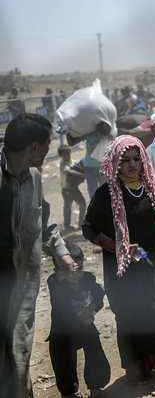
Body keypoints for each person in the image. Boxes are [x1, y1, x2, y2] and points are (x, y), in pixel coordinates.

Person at [82, 135, 155, 382]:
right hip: (126, 267)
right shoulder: (106, 193)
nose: (132, 165)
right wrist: (117, 245)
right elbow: (88, 228)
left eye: (136, 159)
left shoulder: (151, 187)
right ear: (115, 162)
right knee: (132, 315)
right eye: (125, 160)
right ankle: (138, 363)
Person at [0, 114, 74, 398]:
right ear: (33, 148)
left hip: (21, 288)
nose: (49, 150)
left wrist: (60, 252)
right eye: (47, 144)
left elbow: (42, 220)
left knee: (19, 354)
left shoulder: (33, 179)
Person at [47, 241, 110, 398]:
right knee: (63, 360)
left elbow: (99, 296)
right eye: (68, 269)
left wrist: (93, 308)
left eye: (79, 268)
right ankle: (69, 392)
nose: (75, 273)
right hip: (62, 330)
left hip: (86, 327)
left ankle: (96, 386)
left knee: (95, 354)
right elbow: (58, 300)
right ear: (58, 270)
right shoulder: (54, 282)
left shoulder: (88, 279)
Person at [58, 146, 87, 232]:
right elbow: (67, 171)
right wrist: (81, 175)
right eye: (65, 154)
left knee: (81, 204)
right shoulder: (63, 163)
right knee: (69, 206)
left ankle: (79, 224)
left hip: (73, 188)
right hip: (67, 189)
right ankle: (68, 226)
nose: (67, 155)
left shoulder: (72, 161)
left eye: (68, 153)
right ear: (62, 156)